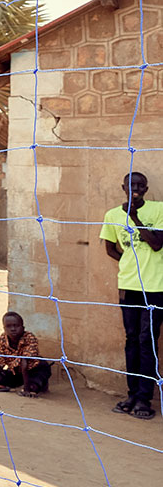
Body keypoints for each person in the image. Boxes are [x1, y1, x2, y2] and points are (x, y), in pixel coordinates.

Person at [101, 171, 163, 420]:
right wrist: (129, 265)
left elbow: (157, 243)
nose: (135, 188)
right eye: (131, 185)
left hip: (155, 288)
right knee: (131, 340)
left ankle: (145, 399)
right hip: (128, 287)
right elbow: (111, 249)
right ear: (123, 187)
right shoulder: (112, 215)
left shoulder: (159, 210)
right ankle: (132, 393)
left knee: (147, 340)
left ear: (146, 188)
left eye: (140, 185)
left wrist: (135, 217)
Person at [0, 312, 51, 397]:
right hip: (16, 371)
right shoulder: (3, 339)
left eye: (16, 325)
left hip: (34, 369)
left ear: (23, 327)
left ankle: (37, 386)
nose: (13, 329)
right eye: (8, 326)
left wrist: (26, 390)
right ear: (4, 328)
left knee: (32, 387)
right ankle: (10, 385)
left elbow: (24, 364)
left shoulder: (29, 338)